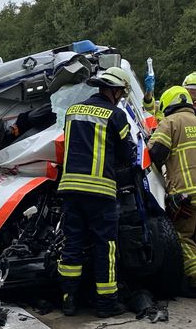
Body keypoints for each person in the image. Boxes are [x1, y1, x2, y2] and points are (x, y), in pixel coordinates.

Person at [57, 67, 134, 318]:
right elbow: (127, 153)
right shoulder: (116, 115)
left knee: (72, 245)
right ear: (113, 90)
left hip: (70, 189)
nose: (121, 97)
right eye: (121, 93)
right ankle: (106, 304)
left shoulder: (72, 112)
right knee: (105, 246)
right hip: (100, 191)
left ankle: (68, 301)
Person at [146, 86, 196, 298]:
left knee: (181, 236)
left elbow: (156, 151)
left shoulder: (170, 122)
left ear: (169, 105)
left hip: (186, 192)